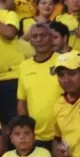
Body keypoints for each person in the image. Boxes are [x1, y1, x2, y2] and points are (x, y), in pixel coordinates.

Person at [16, 21, 62, 149]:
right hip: (36, 137)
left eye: (43, 35)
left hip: (64, 133)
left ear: (52, 38)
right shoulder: (24, 66)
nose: (39, 39)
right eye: (35, 36)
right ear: (30, 41)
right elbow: (21, 101)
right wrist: (26, 130)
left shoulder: (63, 60)